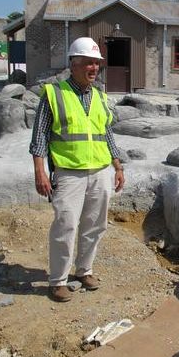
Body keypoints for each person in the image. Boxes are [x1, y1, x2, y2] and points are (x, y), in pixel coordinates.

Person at [29, 37, 125, 302]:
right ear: (74, 64)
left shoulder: (100, 97)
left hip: (100, 171)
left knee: (95, 225)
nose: (94, 68)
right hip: (68, 172)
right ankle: (58, 281)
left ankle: (84, 270)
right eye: (88, 63)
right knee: (66, 224)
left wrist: (117, 166)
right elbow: (39, 137)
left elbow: (107, 134)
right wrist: (40, 172)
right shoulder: (54, 94)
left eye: (97, 64)